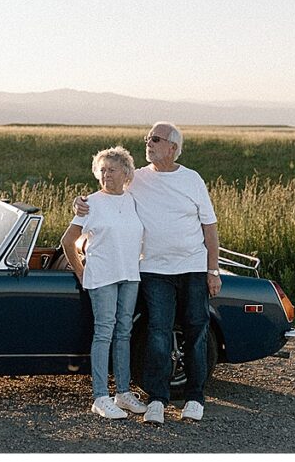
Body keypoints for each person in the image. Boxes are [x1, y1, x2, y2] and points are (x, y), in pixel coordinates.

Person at [74, 122, 220, 424]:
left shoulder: (192, 179)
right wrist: (79, 203)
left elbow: (210, 227)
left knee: (196, 330)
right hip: (152, 269)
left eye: (155, 139)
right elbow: (106, 190)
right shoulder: (136, 178)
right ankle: (157, 399)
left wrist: (213, 270)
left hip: (192, 266)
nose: (148, 143)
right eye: (146, 139)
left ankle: (195, 397)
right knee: (157, 332)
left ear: (173, 147)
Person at [61, 146, 148, 420]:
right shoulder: (91, 203)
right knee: (104, 333)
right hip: (102, 277)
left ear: (126, 173)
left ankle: (123, 393)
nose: (106, 175)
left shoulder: (134, 200)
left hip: (130, 275)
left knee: (124, 332)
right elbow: (67, 241)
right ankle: (100, 396)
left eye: (112, 170)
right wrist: (81, 272)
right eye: (102, 170)